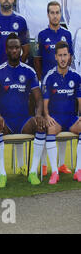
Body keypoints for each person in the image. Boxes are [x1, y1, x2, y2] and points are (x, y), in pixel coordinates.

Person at [0, 33, 46, 187]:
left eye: (17, 47)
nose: (14, 50)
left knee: (41, 124)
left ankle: (33, 172)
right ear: (6, 50)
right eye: (11, 48)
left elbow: (39, 98)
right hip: (5, 122)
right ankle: (2, 174)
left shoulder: (29, 72)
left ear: (21, 50)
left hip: (23, 121)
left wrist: (39, 114)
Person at [37, 41, 81, 184]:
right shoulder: (49, 76)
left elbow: (80, 100)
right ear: (55, 57)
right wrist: (48, 116)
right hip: (55, 119)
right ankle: (54, 172)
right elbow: (45, 104)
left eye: (65, 55)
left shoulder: (76, 76)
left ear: (69, 57)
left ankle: (78, 171)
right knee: (49, 128)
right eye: (60, 55)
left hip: (71, 119)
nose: (63, 58)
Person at [35, 1, 73, 81]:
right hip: (47, 80)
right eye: (52, 13)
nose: (55, 16)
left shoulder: (67, 34)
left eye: (57, 13)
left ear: (60, 14)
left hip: (63, 80)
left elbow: (69, 58)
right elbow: (37, 60)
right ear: (48, 15)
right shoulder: (41, 35)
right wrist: (41, 80)